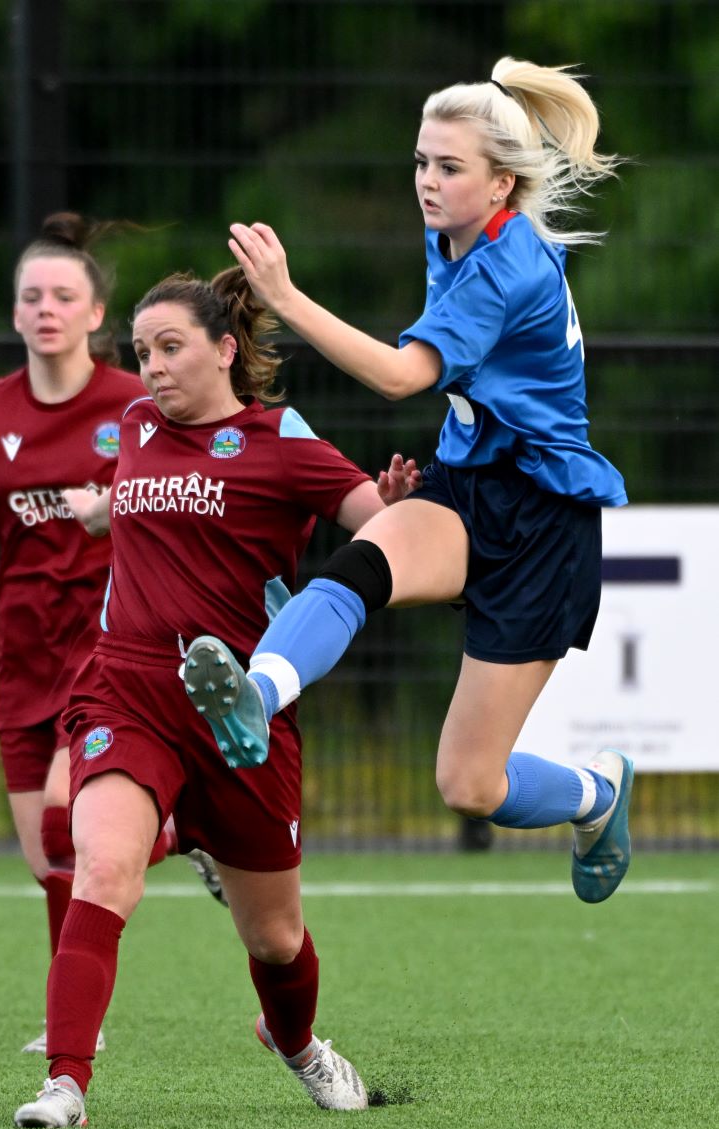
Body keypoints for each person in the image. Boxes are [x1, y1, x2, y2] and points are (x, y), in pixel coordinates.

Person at [183, 57, 634, 905]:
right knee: (358, 562)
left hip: (544, 525)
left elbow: (400, 377)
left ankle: (597, 793)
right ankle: (255, 693)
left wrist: (283, 295)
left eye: (449, 166)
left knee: (468, 785)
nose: (426, 181)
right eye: (421, 161)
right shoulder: (456, 233)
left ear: (500, 183)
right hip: (469, 489)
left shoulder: (506, 266)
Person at [11, 264, 419, 1129]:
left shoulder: (279, 440)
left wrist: (386, 503)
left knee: (274, 940)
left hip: (241, 712)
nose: (151, 367)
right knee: (101, 867)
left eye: (170, 348)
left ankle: (298, 1043)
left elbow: (371, 526)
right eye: (142, 351)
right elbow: (130, 506)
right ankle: (66, 1082)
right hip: (126, 690)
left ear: (225, 350)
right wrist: (94, 510)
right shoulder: (134, 426)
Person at [0, 212, 225, 1056]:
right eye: (30, 296)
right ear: (14, 315)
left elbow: (202, 482)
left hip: (110, 645)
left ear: (94, 316)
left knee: (62, 824)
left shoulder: (135, 403)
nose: (45, 308)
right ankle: (75, 1009)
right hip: (21, 648)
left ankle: (179, 835)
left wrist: (108, 507)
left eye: (64, 296)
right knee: (47, 861)